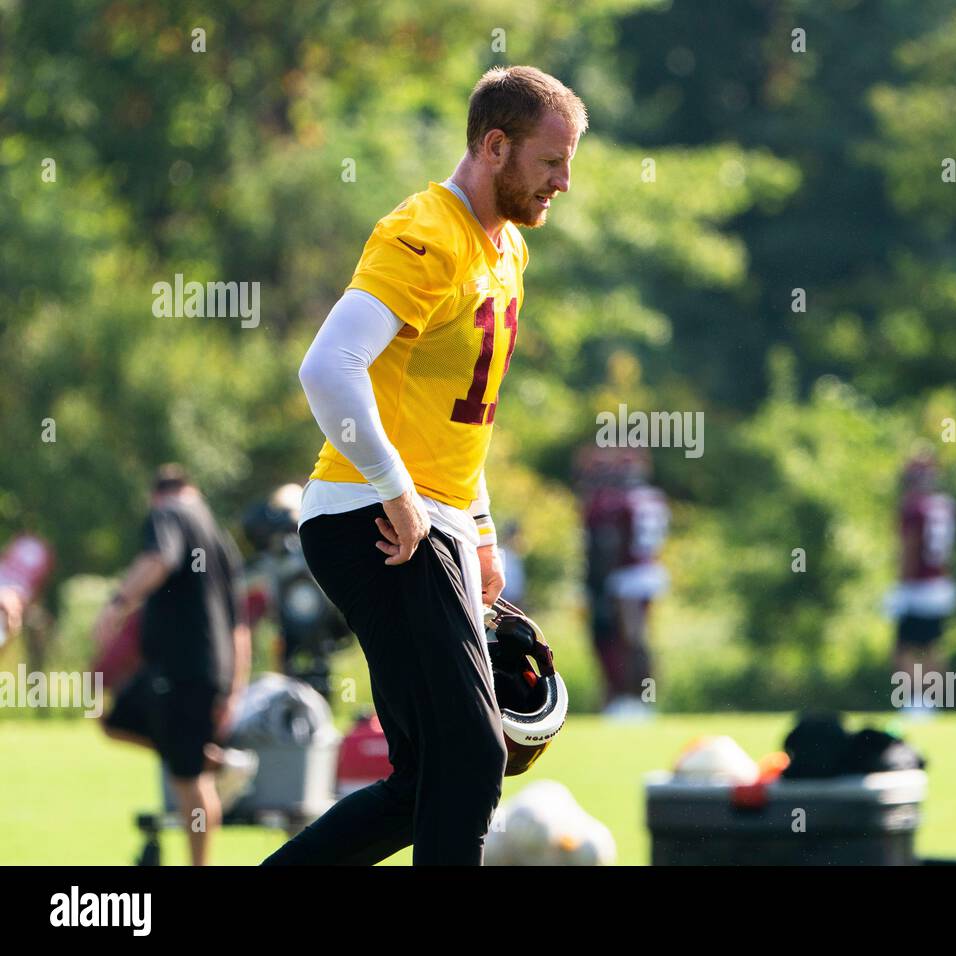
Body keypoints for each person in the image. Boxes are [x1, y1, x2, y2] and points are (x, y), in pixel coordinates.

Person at [263, 66, 587, 865]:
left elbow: (457, 416)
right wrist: (400, 491)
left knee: (427, 781)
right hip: (371, 518)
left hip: (424, 518)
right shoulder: (425, 231)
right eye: (552, 162)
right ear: (495, 144)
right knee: (473, 757)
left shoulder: (506, 248)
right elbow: (328, 367)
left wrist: (478, 529)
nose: (565, 183)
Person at [94, 464, 253, 866]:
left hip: (183, 671)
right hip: (197, 672)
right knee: (115, 718)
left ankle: (200, 863)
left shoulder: (169, 514)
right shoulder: (221, 539)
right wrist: (235, 687)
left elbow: (159, 559)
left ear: (156, 496)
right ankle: (209, 756)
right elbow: (240, 626)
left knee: (188, 782)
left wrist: (117, 603)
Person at [579, 446, 669, 717]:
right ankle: (642, 699)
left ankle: (635, 701)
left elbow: (610, 541)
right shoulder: (655, 497)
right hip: (650, 570)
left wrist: (602, 579)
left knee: (631, 640)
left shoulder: (619, 502)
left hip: (628, 575)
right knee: (638, 639)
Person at [888, 451, 956, 713]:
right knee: (932, 647)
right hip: (941, 584)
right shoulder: (945, 505)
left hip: (917, 586)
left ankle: (915, 703)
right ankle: (932, 703)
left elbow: (911, 547)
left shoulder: (913, 506)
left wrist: (902, 585)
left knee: (904, 649)